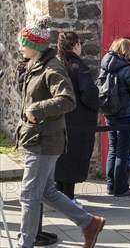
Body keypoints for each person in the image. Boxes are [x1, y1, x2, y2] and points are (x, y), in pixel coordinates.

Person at [15, 16, 105, 248]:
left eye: (24, 43)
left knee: (28, 195)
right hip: (39, 138)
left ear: (35, 46)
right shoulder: (34, 65)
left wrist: (37, 109)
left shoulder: (52, 67)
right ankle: (88, 223)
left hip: (45, 141)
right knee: (45, 191)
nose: (20, 46)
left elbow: (67, 99)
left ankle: (25, 244)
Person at [54, 32, 99, 205]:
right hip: (78, 119)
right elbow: (89, 94)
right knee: (73, 159)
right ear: (75, 45)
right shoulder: (77, 65)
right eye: (80, 43)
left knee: (61, 159)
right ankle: (69, 198)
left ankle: (61, 196)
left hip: (59, 118)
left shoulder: (55, 63)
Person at [100, 38, 130, 196]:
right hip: (127, 114)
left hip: (110, 113)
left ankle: (111, 186)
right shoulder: (128, 70)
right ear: (127, 51)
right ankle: (121, 188)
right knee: (122, 151)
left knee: (113, 149)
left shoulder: (104, 67)